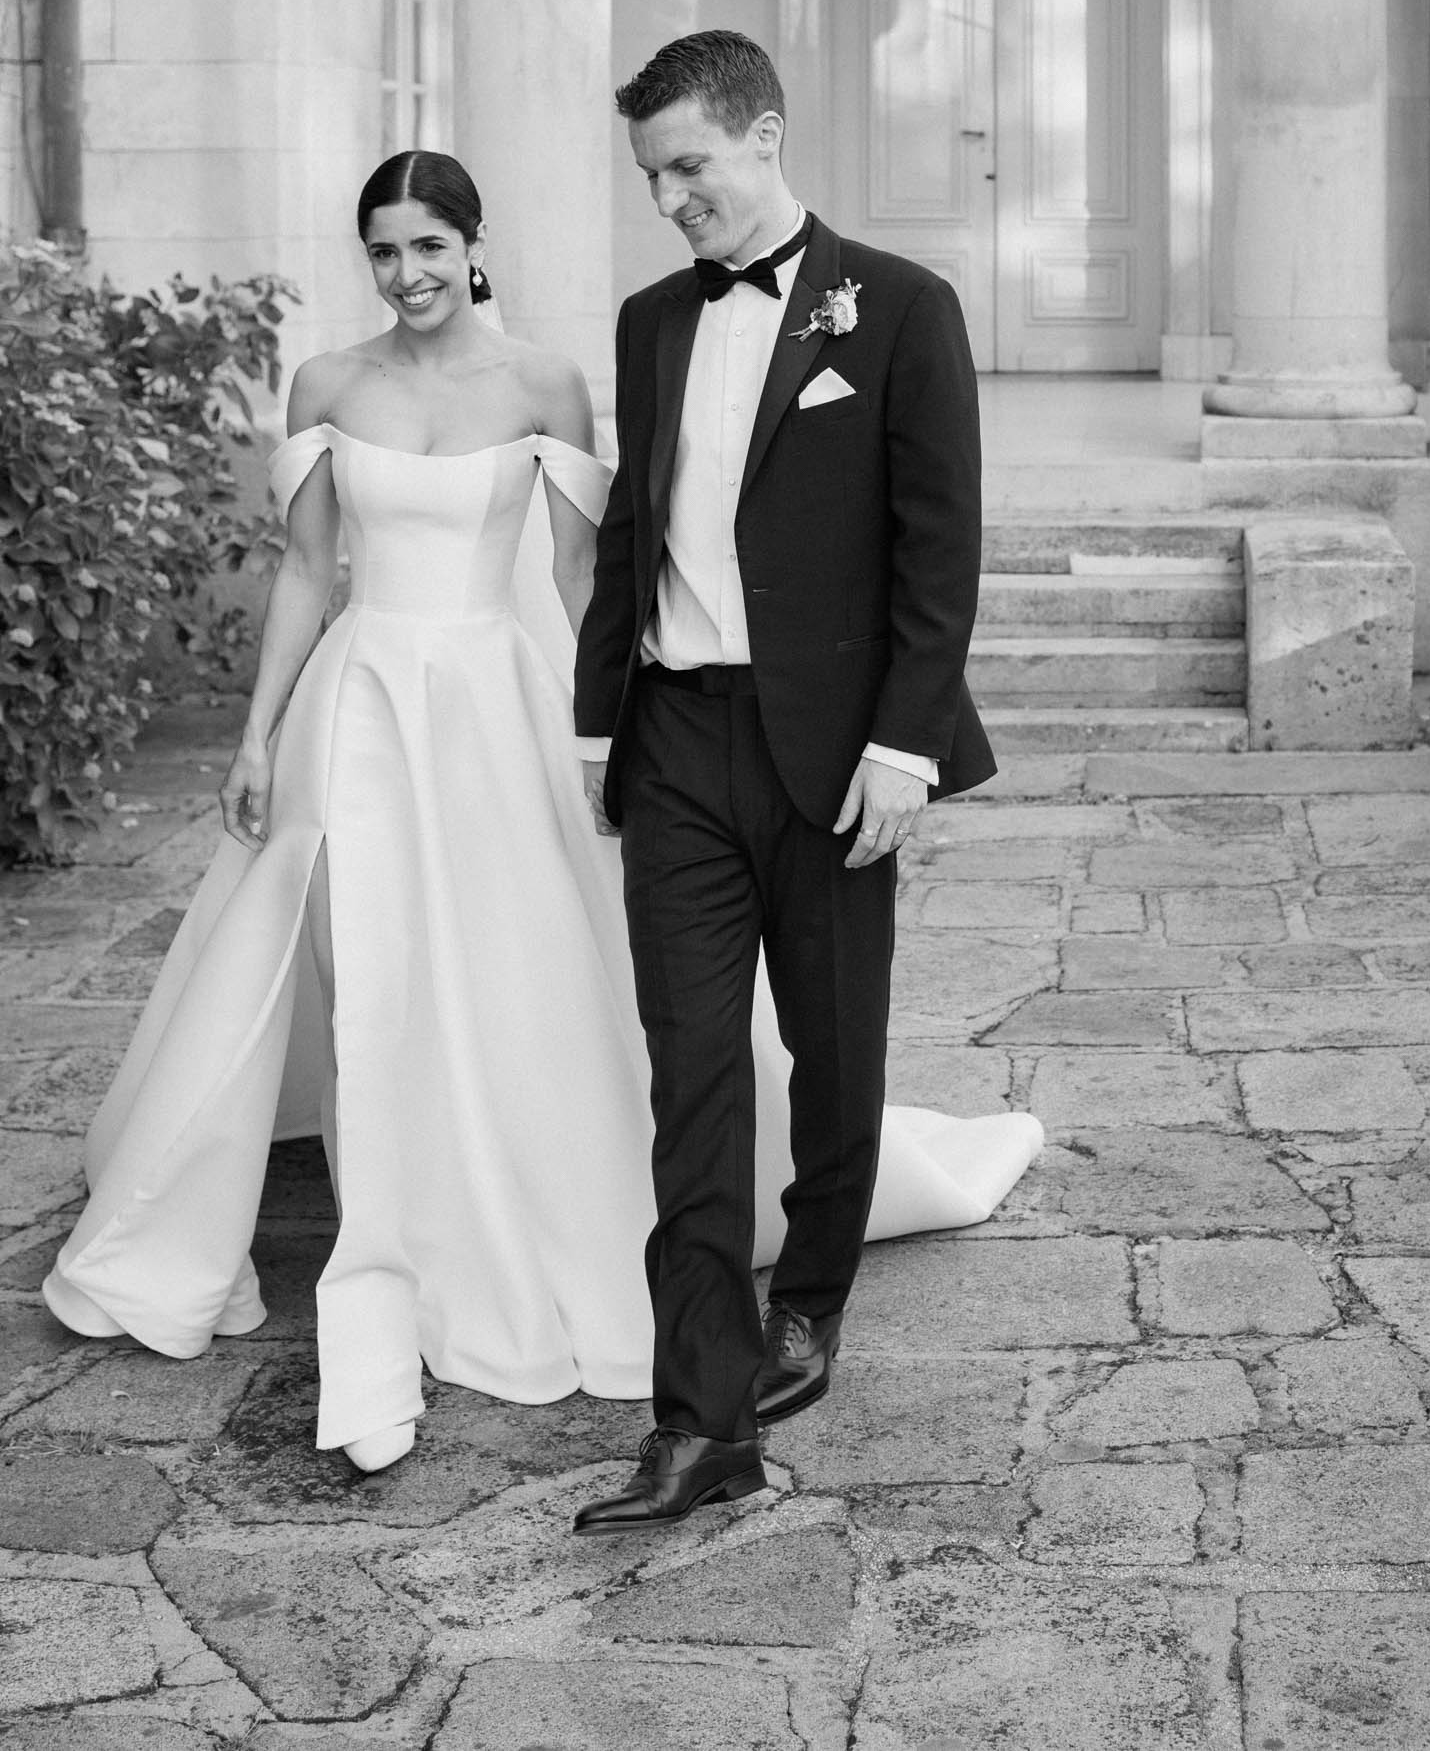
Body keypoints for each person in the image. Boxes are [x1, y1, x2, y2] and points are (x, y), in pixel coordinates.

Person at [43, 149, 1041, 1479]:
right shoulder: (327, 385)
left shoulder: (548, 381)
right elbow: (303, 569)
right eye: (382, 251)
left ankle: (520, 1199)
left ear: (472, 243)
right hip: (363, 703)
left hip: (497, 706)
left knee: (519, 966)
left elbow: (590, 578)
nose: (405, 274)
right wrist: (257, 732)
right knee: (365, 967)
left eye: (426, 247)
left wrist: (626, 734)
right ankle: (384, 1217)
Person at [573, 30, 1002, 1534]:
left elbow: (938, 552)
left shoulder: (896, 307)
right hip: (676, 740)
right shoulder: (645, 323)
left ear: (762, 134)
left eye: (691, 163)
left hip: (834, 751)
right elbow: (634, 536)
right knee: (690, 1076)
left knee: (833, 1049)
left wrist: (906, 745)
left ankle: (811, 1292)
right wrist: (591, 729)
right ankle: (697, 1421)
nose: (671, 196)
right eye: (652, 175)